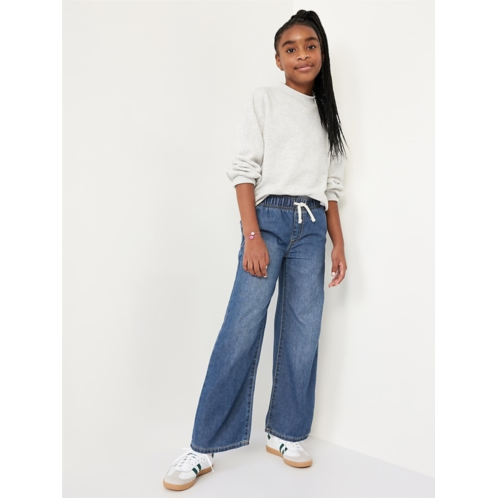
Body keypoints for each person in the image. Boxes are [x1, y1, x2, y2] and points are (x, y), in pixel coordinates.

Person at [163, 9, 348, 492]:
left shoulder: (329, 116)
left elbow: (331, 189)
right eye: (291, 48)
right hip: (267, 221)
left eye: (310, 45)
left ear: (322, 52)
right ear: (278, 59)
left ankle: (285, 433)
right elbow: (244, 171)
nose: (302, 54)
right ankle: (202, 446)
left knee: (303, 334)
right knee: (241, 329)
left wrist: (338, 244)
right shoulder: (264, 100)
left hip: (312, 229)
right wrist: (252, 236)